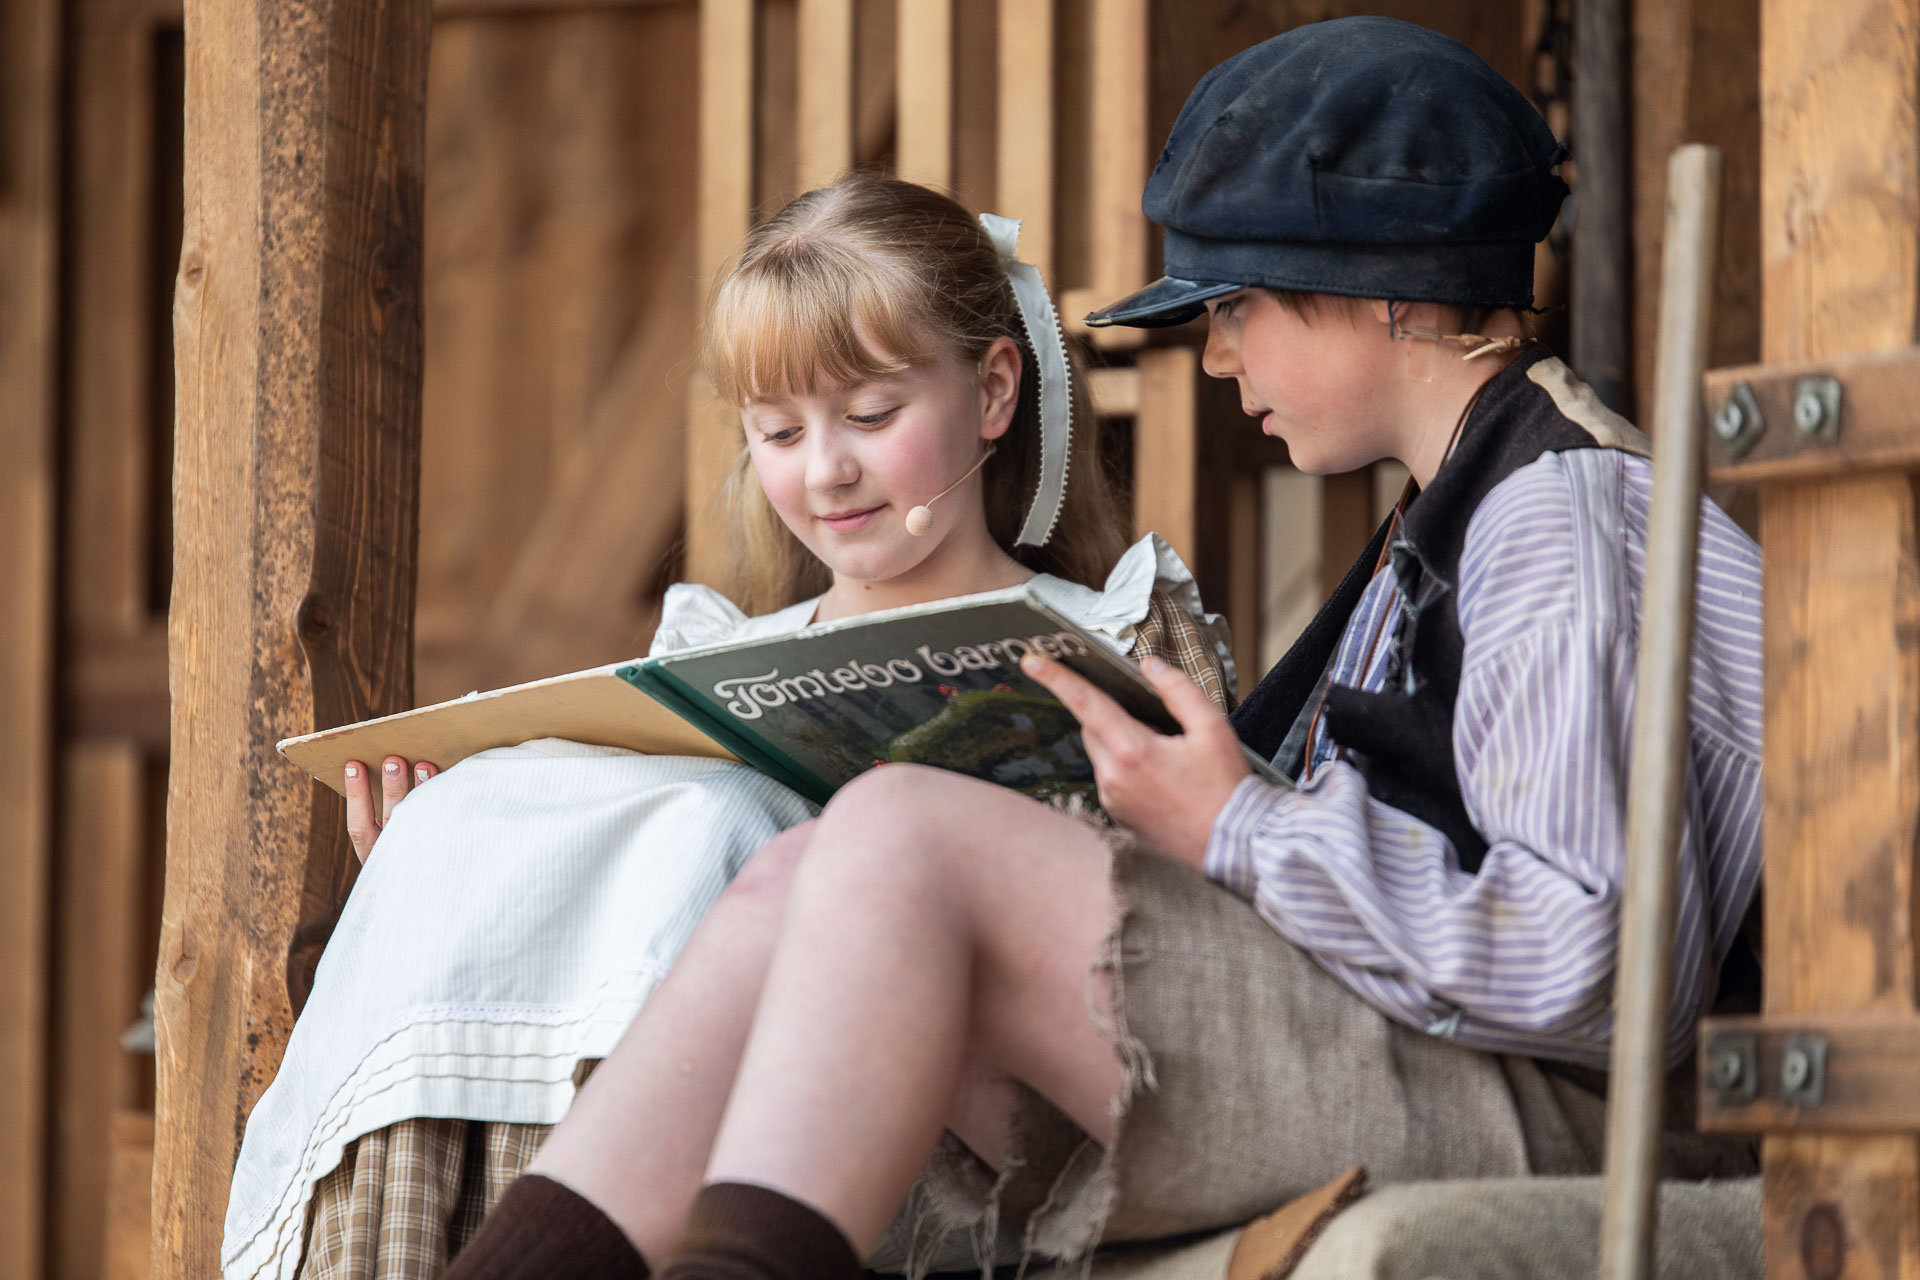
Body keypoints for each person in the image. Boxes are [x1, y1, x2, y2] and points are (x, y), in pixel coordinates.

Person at [439, 16, 1765, 1280]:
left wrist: (1236, 823)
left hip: (1561, 1110)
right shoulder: (1458, 504)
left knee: (903, 833)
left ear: (1386, 297)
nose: (1217, 358)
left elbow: (1595, 967)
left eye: (1236, 307)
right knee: (803, 877)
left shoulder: (1556, 516)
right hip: (1436, 1054)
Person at [220, 173, 1235, 1280]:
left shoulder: (1119, 632)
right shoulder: (708, 655)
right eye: (779, 430)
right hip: (696, 1107)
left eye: (872, 415)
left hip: (981, 1107)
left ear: (994, 390)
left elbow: (1206, 934)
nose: (826, 469)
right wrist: (458, 866)